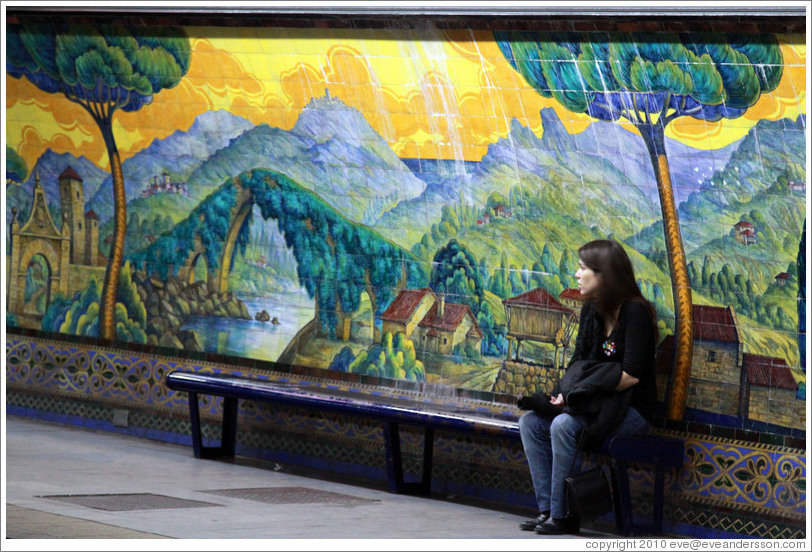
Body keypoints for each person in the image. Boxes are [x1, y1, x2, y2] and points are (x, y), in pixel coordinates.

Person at [516, 239, 658, 535]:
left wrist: (577, 398)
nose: (577, 275)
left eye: (583, 269)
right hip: (592, 404)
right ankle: (548, 511)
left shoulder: (636, 313)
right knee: (531, 422)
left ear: (604, 274)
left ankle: (564, 514)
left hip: (631, 408)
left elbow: (631, 375)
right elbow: (579, 361)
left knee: (564, 426)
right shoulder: (591, 311)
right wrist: (561, 394)